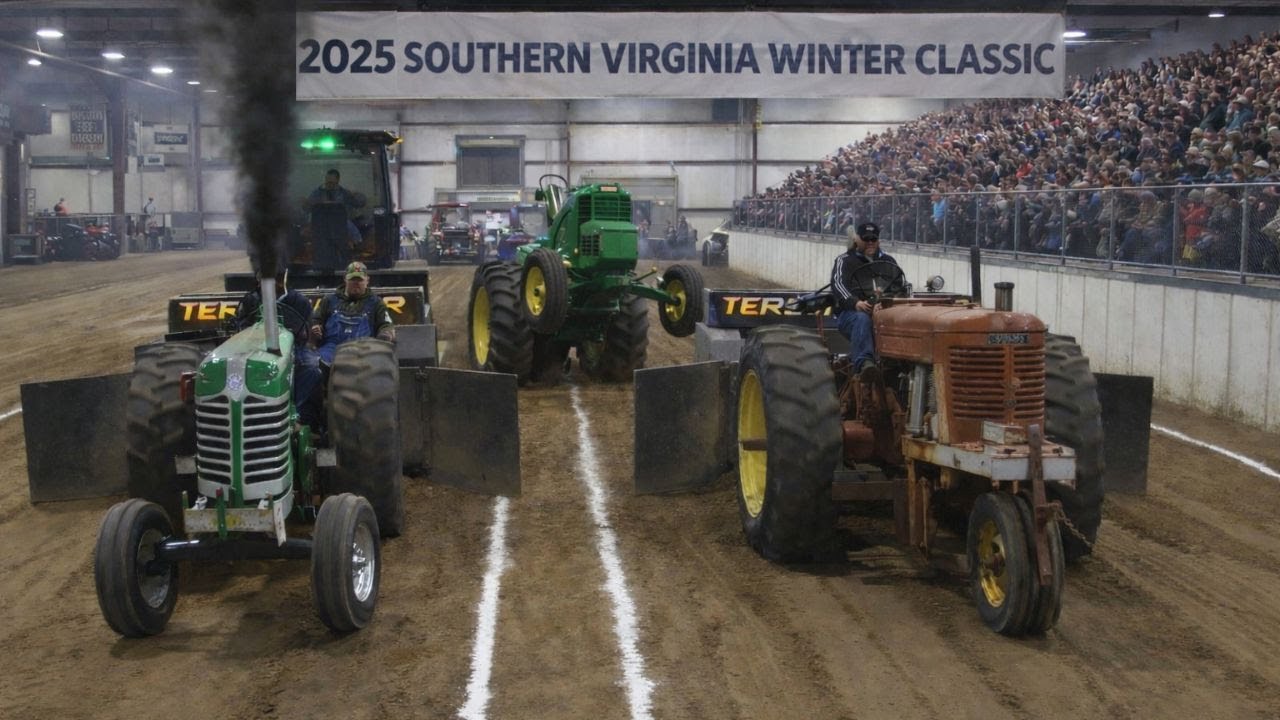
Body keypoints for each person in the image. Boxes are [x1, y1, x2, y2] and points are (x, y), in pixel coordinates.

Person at [234, 269, 323, 428]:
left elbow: (307, 330)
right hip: (255, 347)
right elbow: (241, 327)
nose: (272, 283)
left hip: (294, 347)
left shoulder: (299, 301)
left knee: (312, 369)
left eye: (277, 279)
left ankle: (302, 418)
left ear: (283, 280)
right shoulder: (250, 300)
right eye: (265, 279)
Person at [831, 221, 902, 376]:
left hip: (883, 311)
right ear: (857, 239)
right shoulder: (844, 260)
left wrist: (884, 301)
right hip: (850, 313)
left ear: (878, 240)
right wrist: (855, 302)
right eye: (866, 239)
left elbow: (899, 287)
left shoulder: (889, 262)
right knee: (862, 319)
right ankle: (865, 363)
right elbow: (838, 285)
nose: (870, 243)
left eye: (873, 239)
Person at [312, 261, 396, 365]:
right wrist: (315, 327)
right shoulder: (329, 300)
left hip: (364, 349)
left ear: (367, 280)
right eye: (352, 279)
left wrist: (385, 334)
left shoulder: (376, 303)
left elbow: (386, 325)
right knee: (315, 363)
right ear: (345, 279)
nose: (356, 283)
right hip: (331, 348)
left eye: (359, 279)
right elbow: (315, 320)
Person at [306, 168, 364, 269]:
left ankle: (356, 241)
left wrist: (357, 197)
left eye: (332, 182)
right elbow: (308, 206)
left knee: (347, 223)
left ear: (337, 181)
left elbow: (358, 203)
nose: (329, 184)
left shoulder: (344, 193)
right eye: (327, 181)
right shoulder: (317, 193)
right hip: (319, 222)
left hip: (340, 222)